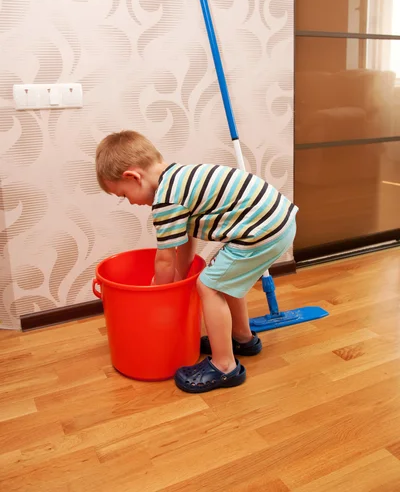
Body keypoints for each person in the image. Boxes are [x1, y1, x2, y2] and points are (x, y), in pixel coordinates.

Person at [96, 130, 298, 393]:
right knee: (222, 278)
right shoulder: (179, 178)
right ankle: (242, 338)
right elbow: (186, 239)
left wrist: (160, 293)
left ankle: (225, 366)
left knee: (209, 285)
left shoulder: (166, 200)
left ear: (133, 177)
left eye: (124, 195)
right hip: (277, 224)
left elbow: (165, 259)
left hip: (262, 231)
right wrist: (181, 278)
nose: (130, 202)